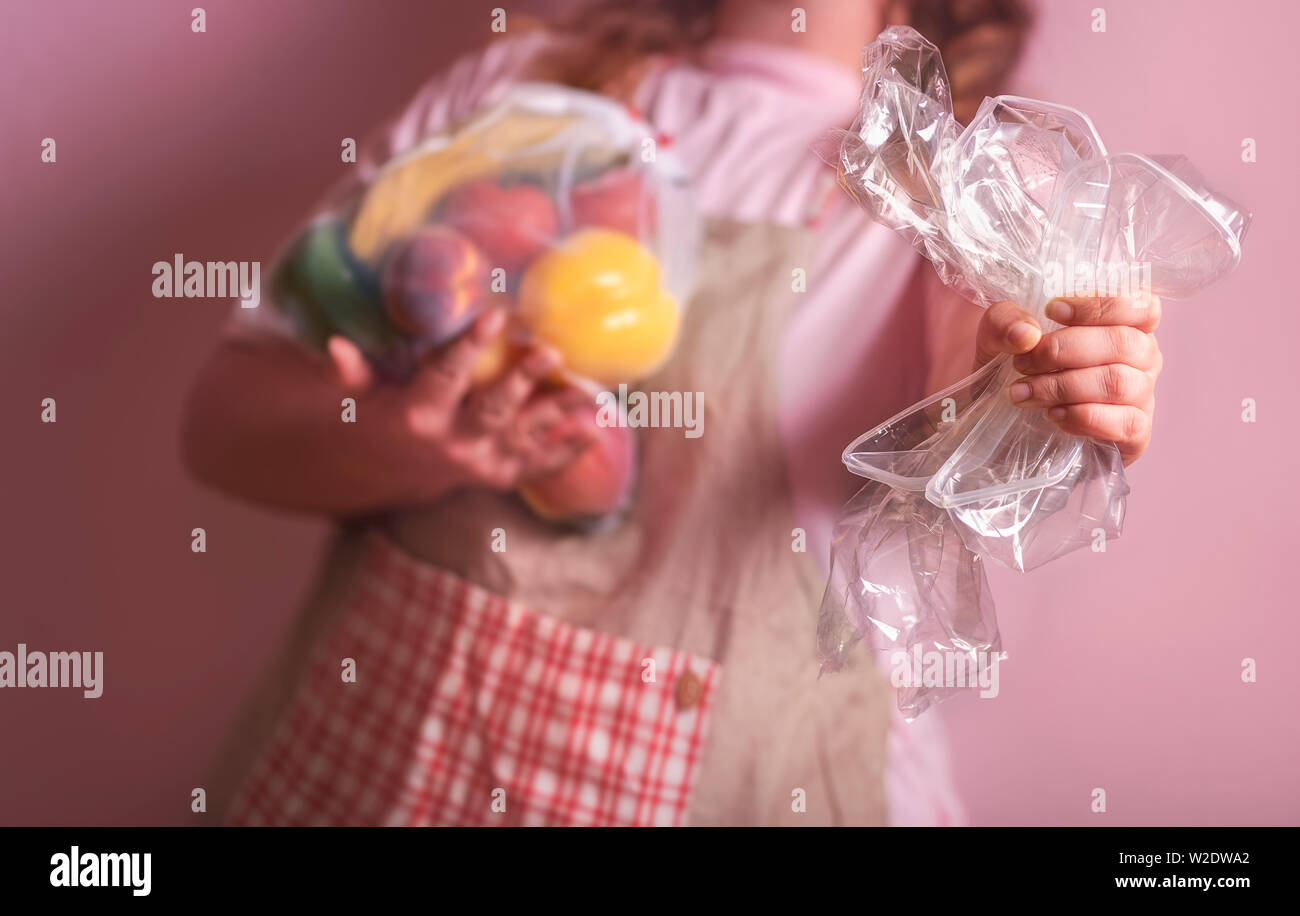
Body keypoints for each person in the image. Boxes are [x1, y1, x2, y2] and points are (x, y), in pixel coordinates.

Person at [184, 0, 1163, 826]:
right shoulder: (513, 96)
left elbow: (992, 398)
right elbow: (226, 422)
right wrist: (408, 439)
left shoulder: (964, 187)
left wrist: (1045, 380)